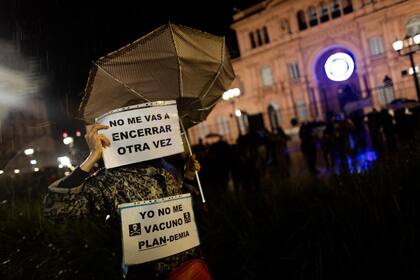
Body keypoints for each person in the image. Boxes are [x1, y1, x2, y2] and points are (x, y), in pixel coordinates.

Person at [43, 124, 205, 279]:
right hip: (146, 275)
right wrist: (92, 157)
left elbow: (178, 201)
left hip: (188, 268)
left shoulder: (166, 169)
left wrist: (188, 175)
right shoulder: (110, 180)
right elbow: (58, 208)